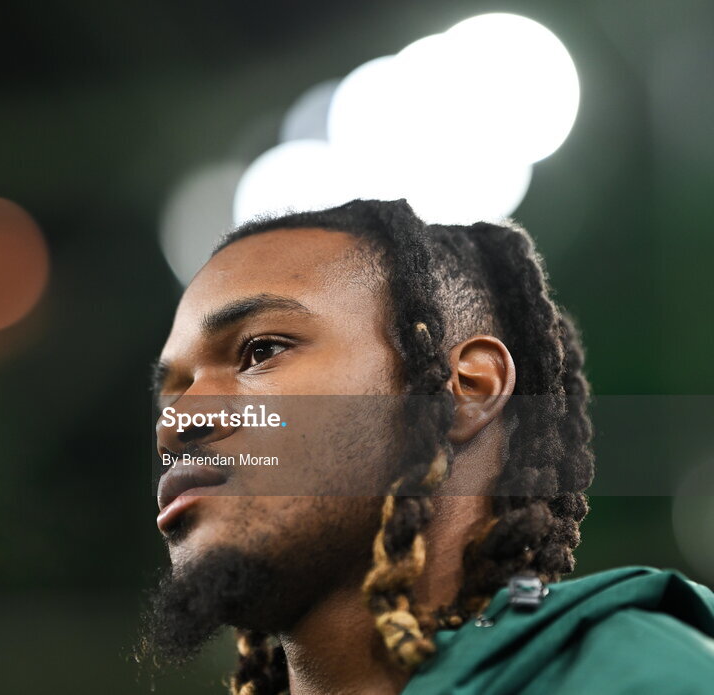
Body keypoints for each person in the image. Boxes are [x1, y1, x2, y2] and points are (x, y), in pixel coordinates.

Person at [141, 199, 714, 694]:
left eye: (261, 351)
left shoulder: (639, 677)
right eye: (172, 392)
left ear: (465, 391)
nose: (177, 422)